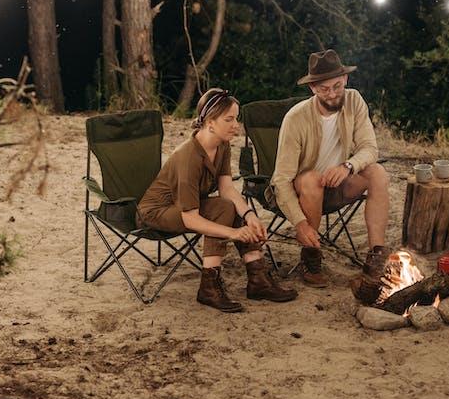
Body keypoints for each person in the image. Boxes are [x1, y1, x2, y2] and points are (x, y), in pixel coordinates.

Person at [137, 88, 297, 312]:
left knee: (229, 206)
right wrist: (233, 233)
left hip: (186, 207)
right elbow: (190, 219)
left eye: (236, 118)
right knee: (221, 209)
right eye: (229, 119)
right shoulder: (188, 157)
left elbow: (227, 189)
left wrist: (250, 217)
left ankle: (258, 279)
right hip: (156, 213)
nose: (236, 125)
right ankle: (209, 288)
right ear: (210, 122)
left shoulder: (221, 146)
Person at [268, 49, 391, 303]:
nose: (333, 94)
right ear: (312, 87)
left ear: (345, 80)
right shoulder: (296, 118)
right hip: (305, 192)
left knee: (377, 172)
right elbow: (281, 180)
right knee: (312, 178)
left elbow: (370, 149)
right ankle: (311, 258)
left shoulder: (354, 100)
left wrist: (347, 166)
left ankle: (376, 258)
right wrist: (300, 223)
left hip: (339, 186)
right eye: (324, 89)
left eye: (337, 86)